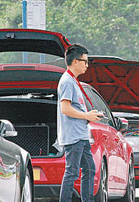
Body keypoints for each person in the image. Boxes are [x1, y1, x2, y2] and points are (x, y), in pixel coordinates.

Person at [57, 44, 103, 202]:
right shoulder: (67, 82)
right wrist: (86, 116)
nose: (87, 65)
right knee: (72, 172)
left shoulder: (73, 81)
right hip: (73, 137)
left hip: (81, 135)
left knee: (90, 169)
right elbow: (65, 108)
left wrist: (90, 115)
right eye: (85, 62)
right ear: (75, 61)